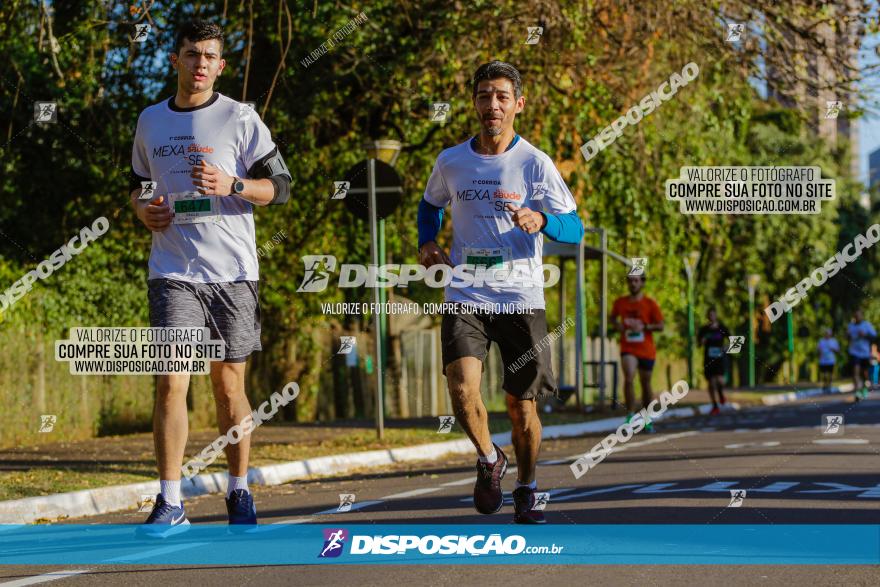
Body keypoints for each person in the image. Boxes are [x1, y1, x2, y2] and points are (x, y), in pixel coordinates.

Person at [129, 19, 291, 536]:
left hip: (233, 273)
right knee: (172, 382)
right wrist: (142, 211)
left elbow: (281, 188)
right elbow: (138, 185)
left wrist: (234, 183)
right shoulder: (150, 121)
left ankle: (239, 488)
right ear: (175, 60)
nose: (200, 64)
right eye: (192, 54)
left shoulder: (241, 118)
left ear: (221, 67)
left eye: (210, 57)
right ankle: (171, 500)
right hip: (173, 270)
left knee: (227, 386)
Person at [418, 61, 584, 524]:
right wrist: (427, 242)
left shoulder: (535, 163)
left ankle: (527, 486)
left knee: (520, 405)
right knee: (461, 386)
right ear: (474, 102)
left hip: (520, 298)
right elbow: (429, 204)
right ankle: (490, 459)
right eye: (484, 96)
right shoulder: (451, 160)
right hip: (466, 293)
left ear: (518, 104)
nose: (492, 105)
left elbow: (575, 226)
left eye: (502, 97)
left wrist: (544, 220)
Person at [611, 272, 664, 430]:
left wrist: (646, 327)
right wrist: (617, 325)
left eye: (636, 281)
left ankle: (647, 417)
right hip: (628, 347)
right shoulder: (620, 302)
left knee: (645, 383)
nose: (633, 283)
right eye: (630, 281)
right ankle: (630, 414)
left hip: (646, 349)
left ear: (642, 283)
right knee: (629, 377)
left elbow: (661, 325)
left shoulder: (650, 304)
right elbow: (613, 318)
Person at [697, 308, 730, 415]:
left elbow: (735, 340)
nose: (711, 317)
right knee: (711, 383)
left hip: (719, 358)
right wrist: (701, 342)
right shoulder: (704, 329)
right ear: (707, 317)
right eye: (709, 315)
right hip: (708, 359)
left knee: (720, 381)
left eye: (713, 315)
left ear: (716, 316)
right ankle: (715, 405)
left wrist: (726, 347)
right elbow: (699, 343)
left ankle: (720, 394)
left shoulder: (722, 328)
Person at [848, 309, 876, 401]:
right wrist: (847, 335)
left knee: (864, 374)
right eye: (855, 315)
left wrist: (865, 335)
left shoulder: (866, 325)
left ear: (862, 316)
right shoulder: (851, 326)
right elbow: (848, 338)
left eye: (858, 315)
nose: (857, 317)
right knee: (855, 372)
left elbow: (874, 337)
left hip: (864, 353)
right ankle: (857, 392)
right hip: (854, 352)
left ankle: (864, 388)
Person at [816, 328, 839, 392]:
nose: (827, 335)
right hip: (823, 361)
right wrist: (819, 353)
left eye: (828, 333)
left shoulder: (833, 341)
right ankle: (825, 385)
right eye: (826, 333)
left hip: (831, 360)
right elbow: (818, 350)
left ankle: (829, 385)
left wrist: (833, 349)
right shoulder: (821, 341)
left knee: (830, 374)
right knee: (824, 375)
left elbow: (838, 350)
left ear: (830, 334)